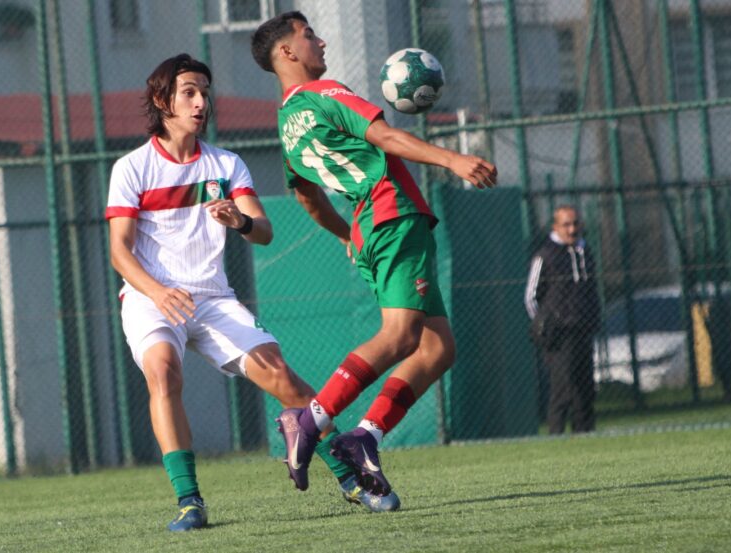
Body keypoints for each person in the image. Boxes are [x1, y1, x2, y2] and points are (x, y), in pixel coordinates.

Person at [106, 54, 396, 532]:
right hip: (150, 297)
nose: (202, 102)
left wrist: (239, 221)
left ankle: (352, 478)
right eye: (189, 93)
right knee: (163, 372)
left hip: (213, 298)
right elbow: (120, 253)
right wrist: (157, 293)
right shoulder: (132, 168)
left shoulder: (225, 163)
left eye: (204, 92)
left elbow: (262, 231)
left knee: (284, 378)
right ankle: (189, 501)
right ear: (163, 101)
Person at [250, 12, 497, 498]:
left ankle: (365, 437)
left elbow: (307, 199)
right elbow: (383, 136)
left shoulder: (286, 126)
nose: (320, 41)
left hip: (371, 226)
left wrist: (348, 234)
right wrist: (454, 160)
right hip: (393, 212)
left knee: (437, 347)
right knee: (400, 335)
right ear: (286, 52)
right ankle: (310, 421)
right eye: (307, 35)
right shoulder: (327, 93)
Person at [524, 206, 600, 434]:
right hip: (560, 335)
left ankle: (585, 435)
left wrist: (593, 316)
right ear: (555, 227)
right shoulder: (545, 255)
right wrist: (543, 323)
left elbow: (592, 289)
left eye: (576, 223)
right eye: (566, 224)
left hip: (582, 329)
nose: (573, 229)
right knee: (562, 390)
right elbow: (531, 297)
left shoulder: (585, 252)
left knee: (585, 390)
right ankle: (555, 436)